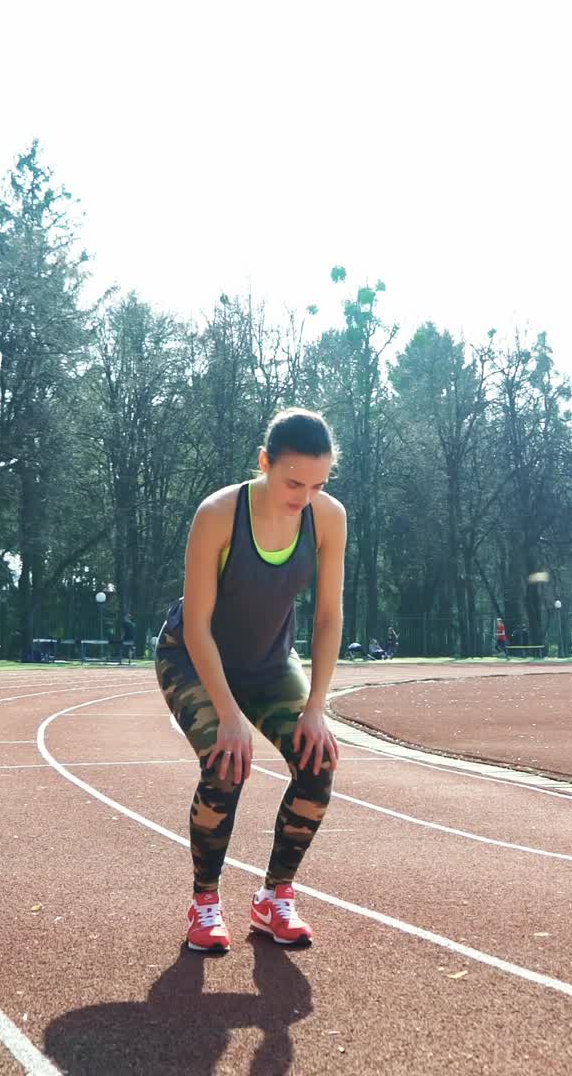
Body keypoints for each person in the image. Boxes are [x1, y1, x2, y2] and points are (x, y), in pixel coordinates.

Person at [155, 408, 345, 954]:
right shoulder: (218, 514)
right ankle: (205, 904)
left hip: (268, 662)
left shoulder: (327, 517)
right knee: (226, 760)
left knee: (317, 761)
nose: (303, 496)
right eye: (292, 482)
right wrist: (230, 718)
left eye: (317, 484)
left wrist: (316, 707)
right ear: (264, 463)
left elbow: (328, 617)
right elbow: (196, 625)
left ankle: (273, 898)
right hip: (193, 657)